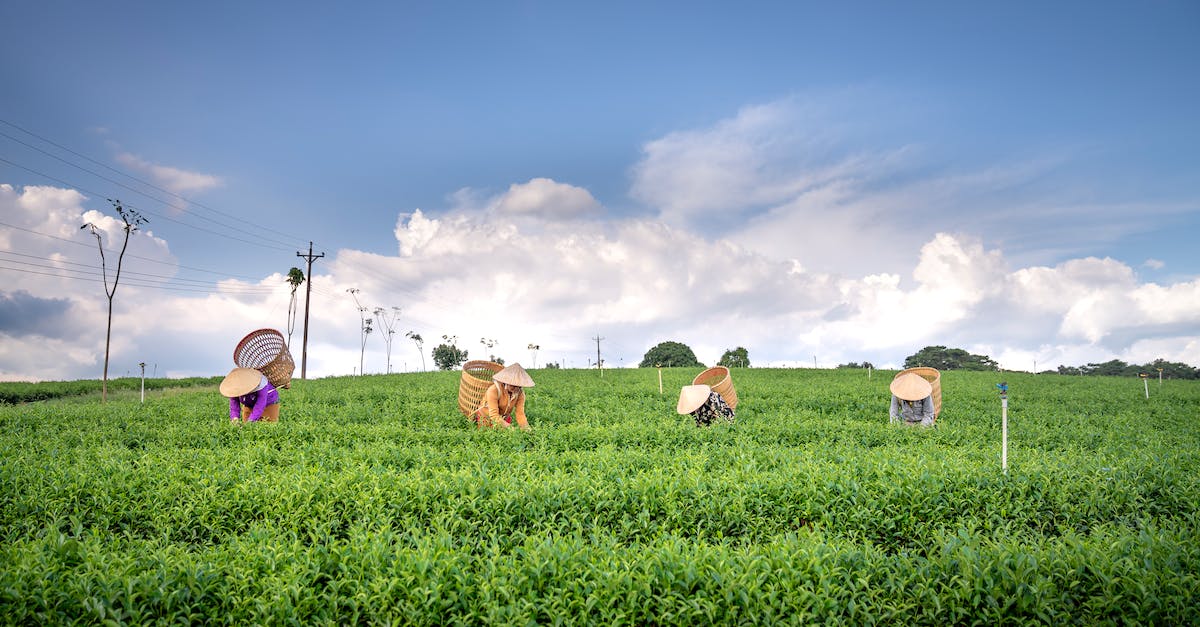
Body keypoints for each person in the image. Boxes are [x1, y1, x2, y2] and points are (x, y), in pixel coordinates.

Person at [473, 363, 534, 430]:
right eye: (513, 385)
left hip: (503, 418)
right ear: (505, 382)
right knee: (487, 436)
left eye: (519, 386)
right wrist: (511, 428)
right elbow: (494, 415)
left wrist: (526, 428)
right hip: (486, 417)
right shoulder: (494, 390)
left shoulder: (520, 394)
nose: (516, 389)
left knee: (505, 436)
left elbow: (520, 414)